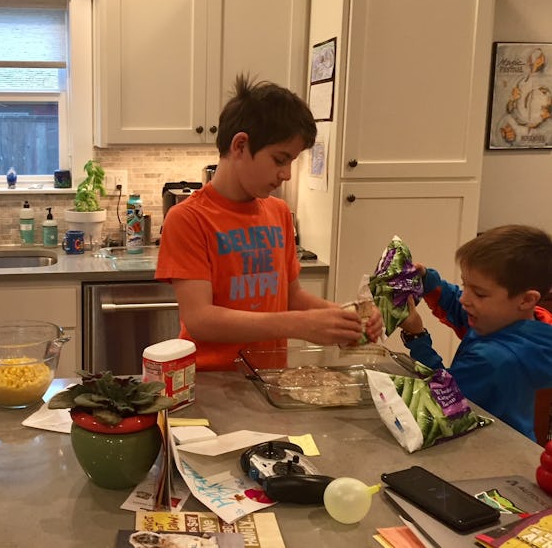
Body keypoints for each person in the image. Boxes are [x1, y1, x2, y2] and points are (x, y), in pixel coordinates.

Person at [155, 74, 383, 370]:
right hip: (212, 383)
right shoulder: (188, 218)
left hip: (269, 379)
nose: (286, 173)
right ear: (239, 146)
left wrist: (347, 319)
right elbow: (200, 320)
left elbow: (292, 297)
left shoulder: (278, 213)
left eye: (292, 162)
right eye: (280, 159)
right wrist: (299, 325)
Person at [399, 224, 552, 441]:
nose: (465, 298)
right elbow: (457, 304)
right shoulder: (522, 320)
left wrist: (417, 338)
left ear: (526, 300)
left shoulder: (493, 360)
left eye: (479, 294)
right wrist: (428, 281)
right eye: (465, 285)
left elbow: (443, 400)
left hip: (491, 452)